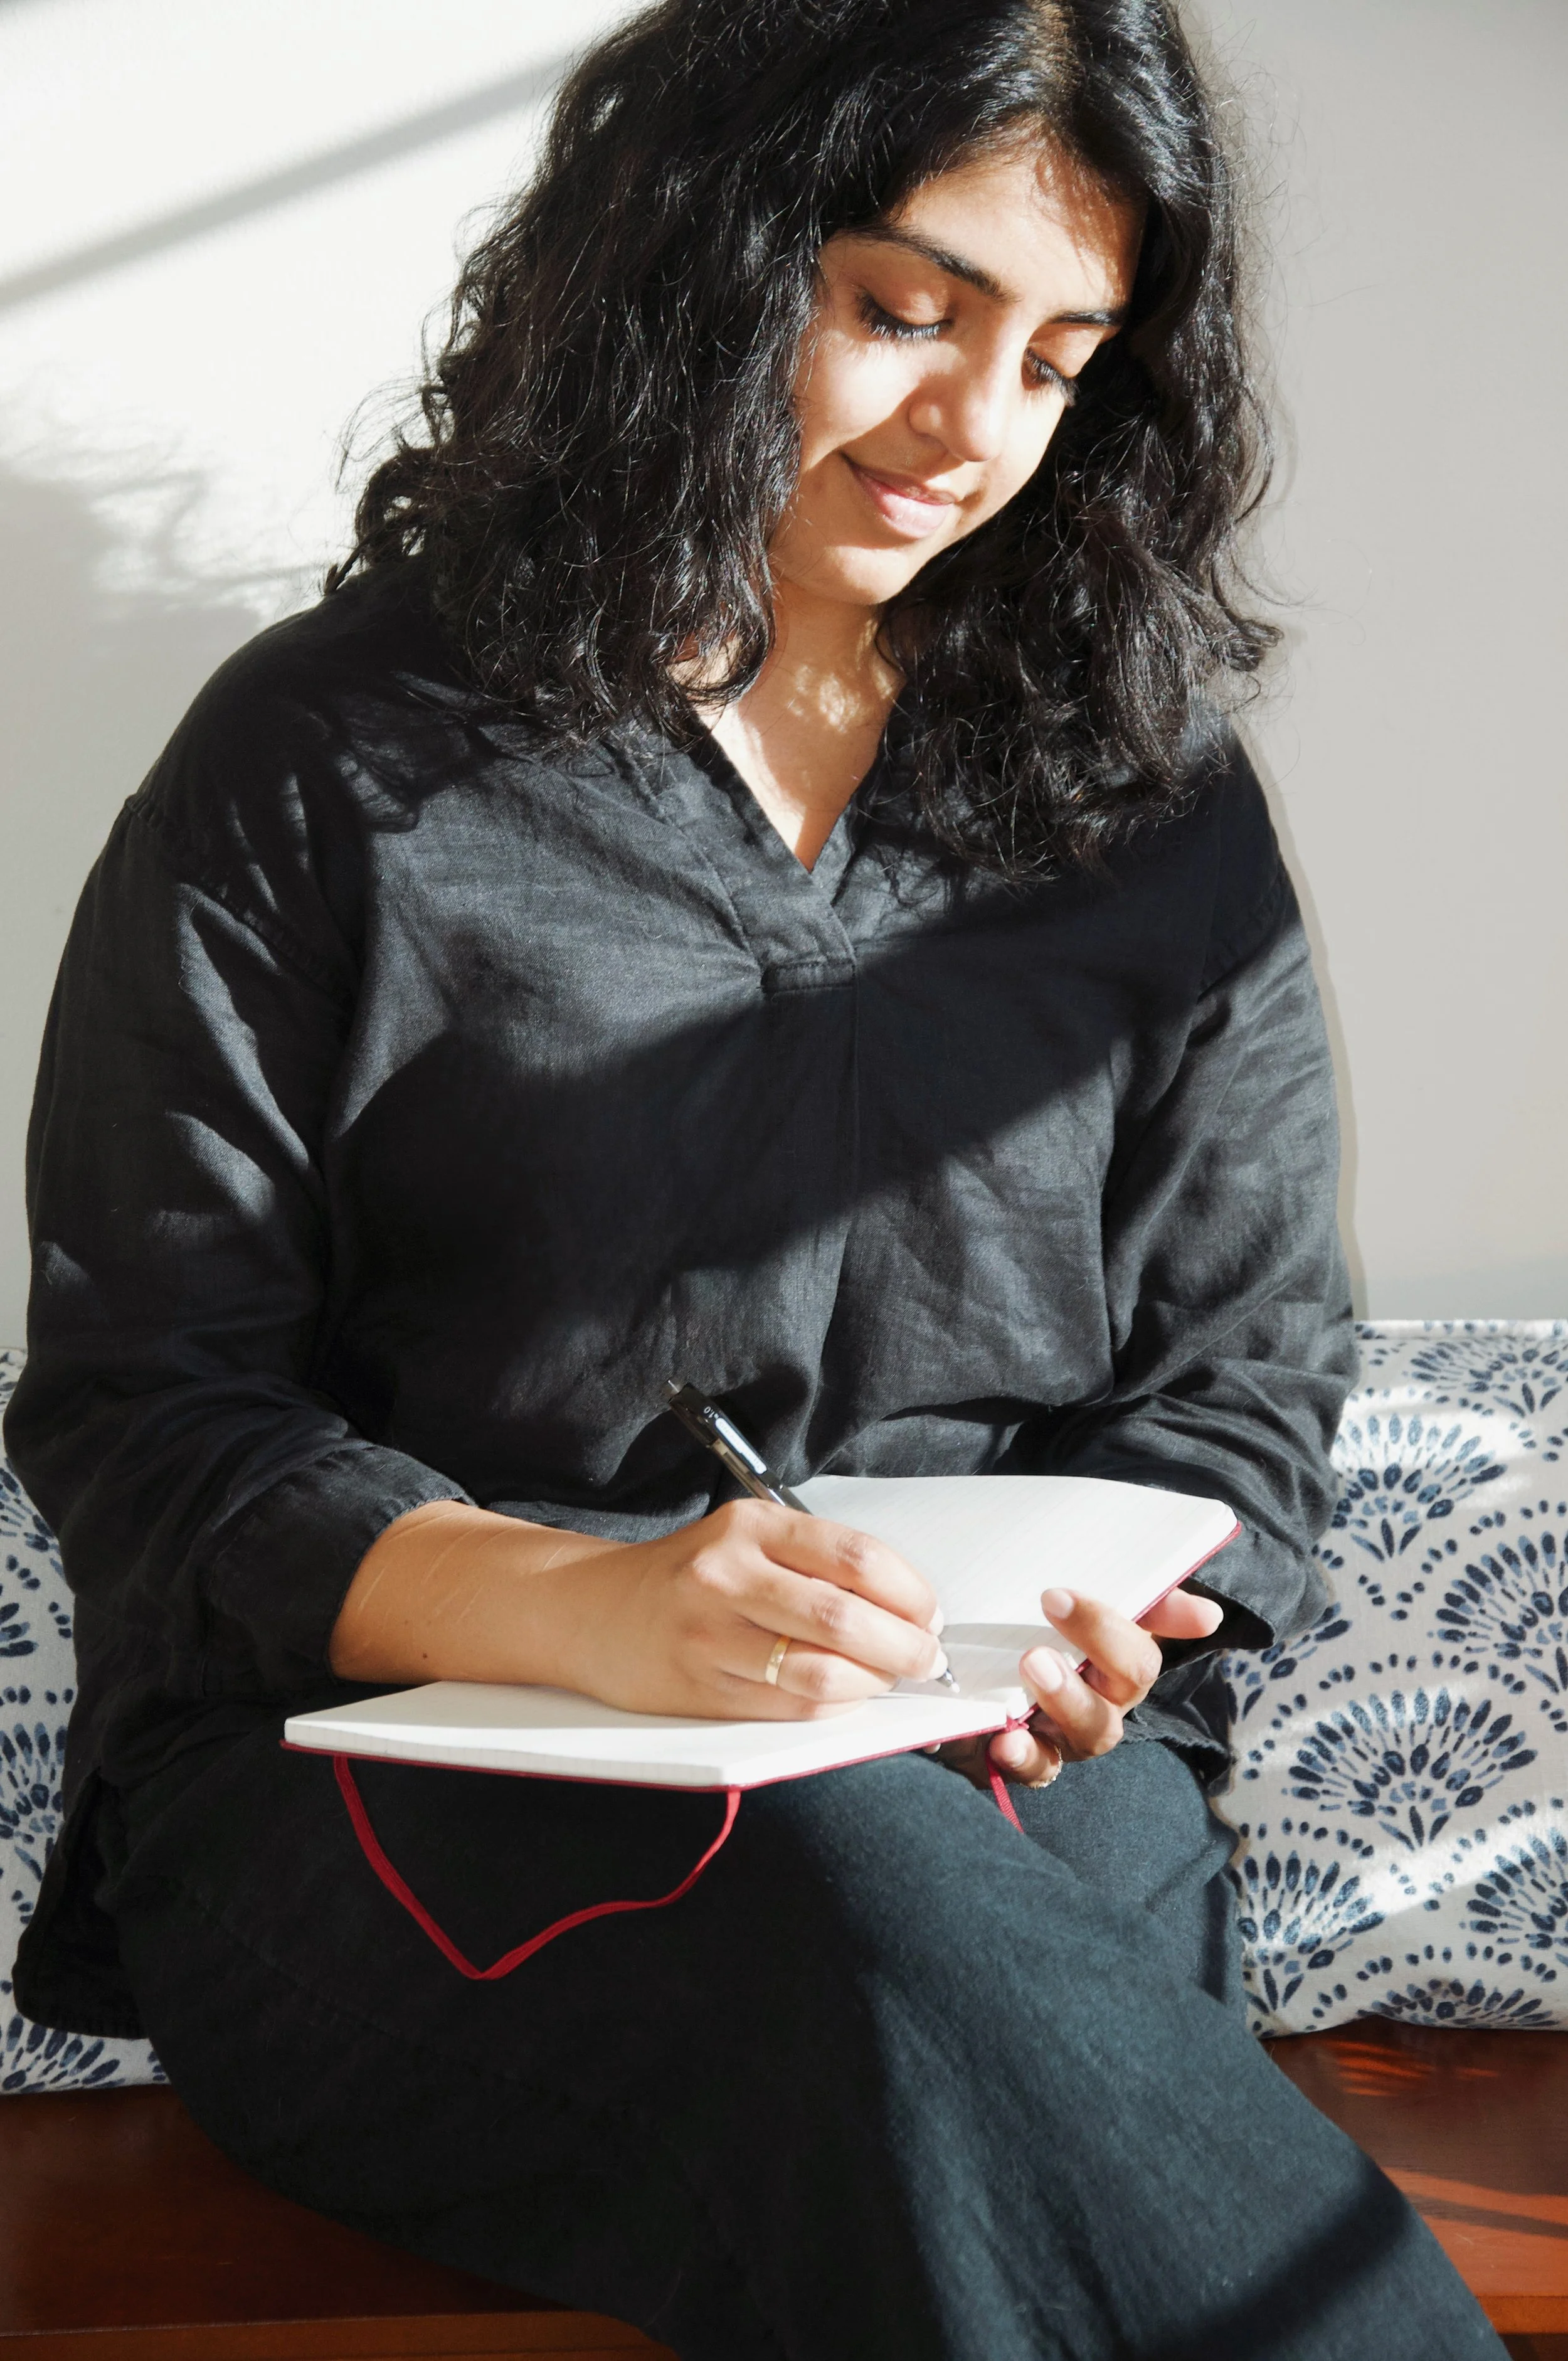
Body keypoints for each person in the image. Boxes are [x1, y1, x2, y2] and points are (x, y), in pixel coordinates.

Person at [6, 1, 1507, 2354]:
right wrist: (582, 1610)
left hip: (998, 1777)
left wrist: (1113, 1629)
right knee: (833, 1880)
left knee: (921, 1922)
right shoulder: (317, 768)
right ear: (694, 255)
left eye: (1057, 358)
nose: (968, 433)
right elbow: (145, 1414)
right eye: (901, 311)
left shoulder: (1146, 802)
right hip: (398, 1800)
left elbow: (1243, 1375)